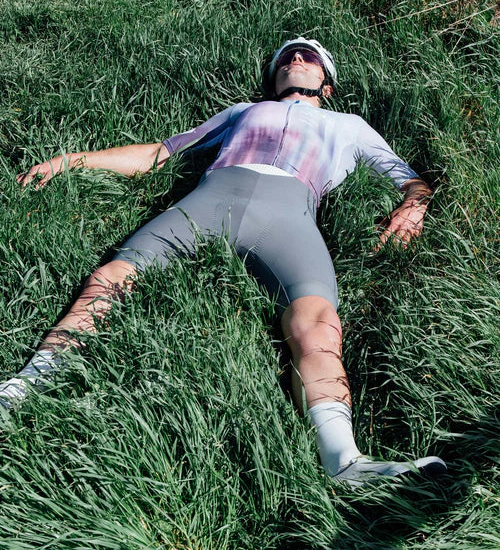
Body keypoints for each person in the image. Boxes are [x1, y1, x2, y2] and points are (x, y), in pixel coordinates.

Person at [0, 37, 446, 488]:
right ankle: (23, 388)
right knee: (112, 277)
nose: (296, 57)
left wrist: (414, 207)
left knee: (318, 320)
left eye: (309, 56)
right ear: (273, 78)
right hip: (210, 200)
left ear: (326, 85)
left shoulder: (350, 126)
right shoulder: (242, 111)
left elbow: (411, 182)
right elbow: (160, 154)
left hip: (289, 216)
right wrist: (72, 160)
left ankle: (344, 460)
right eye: (287, 55)